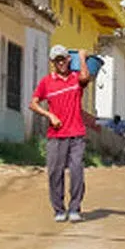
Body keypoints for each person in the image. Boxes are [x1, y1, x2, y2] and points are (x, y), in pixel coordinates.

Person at [30, 45, 92, 222]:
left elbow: (86, 77)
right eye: (57, 60)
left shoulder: (76, 78)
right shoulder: (46, 82)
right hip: (56, 135)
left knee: (76, 170)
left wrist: (82, 58)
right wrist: (49, 115)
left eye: (63, 59)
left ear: (68, 59)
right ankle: (58, 209)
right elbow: (33, 103)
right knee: (55, 173)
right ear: (52, 62)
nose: (61, 63)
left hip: (76, 134)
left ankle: (74, 208)